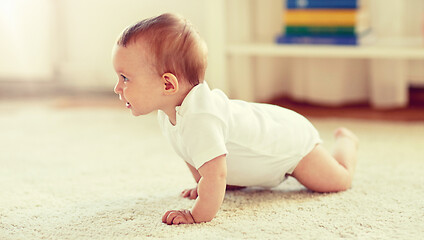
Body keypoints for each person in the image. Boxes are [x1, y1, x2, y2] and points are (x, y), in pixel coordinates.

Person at [112, 13, 359, 225]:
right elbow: (192, 154)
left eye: (125, 78)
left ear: (168, 84)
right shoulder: (169, 114)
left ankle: (347, 142)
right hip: (263, 148)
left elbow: (216, 175)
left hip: (289, 144)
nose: (117, 87)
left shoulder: (201, 119)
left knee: (338, 181)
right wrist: (202, 186)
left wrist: (196, 214)